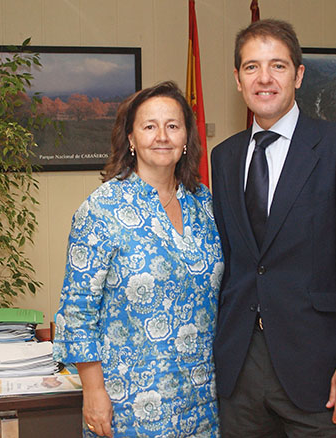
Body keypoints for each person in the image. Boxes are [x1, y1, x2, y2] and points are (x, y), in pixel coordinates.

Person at [210, 19, 336, 437]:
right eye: (252, 67)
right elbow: (235, 262)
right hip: (240, 371)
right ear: (237, 79)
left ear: (299, 75)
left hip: (322, 371)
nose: (265, 78)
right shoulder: (225, 157)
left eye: (278, 65)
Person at [53, 81, 224, 438]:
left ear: (186, 139)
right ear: (130, 138)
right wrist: (93, 391)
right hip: (129, 404)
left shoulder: (205, 204)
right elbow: (78, 311)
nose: (162, 135)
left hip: (204, 401)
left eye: (173, 126)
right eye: (149, 126)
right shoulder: (101, 209)